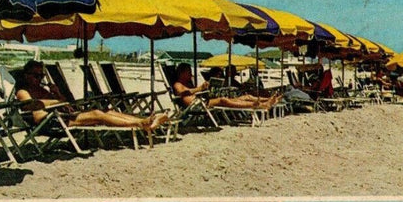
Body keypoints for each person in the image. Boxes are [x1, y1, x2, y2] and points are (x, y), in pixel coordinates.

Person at [15, 59, 169, 133]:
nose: (40, 78)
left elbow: (63, 103)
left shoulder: (44, 89)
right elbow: (29, 105)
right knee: (97, 114)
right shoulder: (23, 90)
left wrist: (58, 94)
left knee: (107, 112)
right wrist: (54, 102)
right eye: (36, 75)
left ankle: (144, 121)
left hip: (62, 116)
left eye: (41, 75)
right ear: (26, 75)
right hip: (49, 123)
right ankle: (142, 124)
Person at [171, 63, 281, 111]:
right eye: (189, 72)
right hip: (196, 105)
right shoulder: (178, 84)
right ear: (181, 72)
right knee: (223, 100)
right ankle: (256, 105)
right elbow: (181, 93)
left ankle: (265, 102)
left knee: (243, 96)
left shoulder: (188, 84)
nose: (191, 74)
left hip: (202, 101)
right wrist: (199, 88)